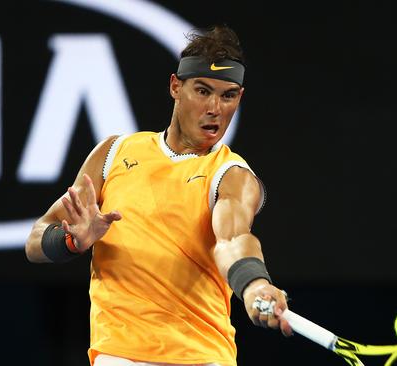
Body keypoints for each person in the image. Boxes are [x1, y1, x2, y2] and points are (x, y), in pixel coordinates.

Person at [25, 24, 291, 366]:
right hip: (119, 354)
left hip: (199, 356)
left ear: (238, 97)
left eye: (228, 95)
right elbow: (35, 242)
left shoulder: (232, 176)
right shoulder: (113, 152)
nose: (215, 108)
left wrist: (254, 284)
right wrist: (71, 241)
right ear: (175, 87)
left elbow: (233, 240)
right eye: (203, 91)